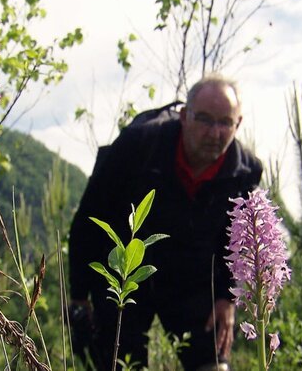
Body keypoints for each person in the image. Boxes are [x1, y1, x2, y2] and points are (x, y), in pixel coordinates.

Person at [67, 75, 263, 371]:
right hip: (125, 274)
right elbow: (90, 217)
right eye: (205, 119)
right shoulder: (139, 144)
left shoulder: (246, 170)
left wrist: (227, 295)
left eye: (225, 122)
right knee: (120, 364)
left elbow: (235, 239)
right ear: (184, 116)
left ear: (238, 124)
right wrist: (80, 298)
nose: (215, 132)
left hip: (194, 280)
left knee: (213, 366)